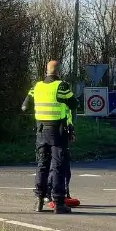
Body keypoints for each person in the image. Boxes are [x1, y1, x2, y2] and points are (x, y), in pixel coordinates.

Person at [22, 60, 76, 213]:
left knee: (42, 165)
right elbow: (74, 104)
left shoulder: (36, 87)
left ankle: (39, 200)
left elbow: (24, 106)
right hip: (58, 132)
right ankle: (58, 203)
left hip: (40, 131)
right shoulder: (62, 86)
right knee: (58, 166)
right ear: (58, 72)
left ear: (46, 71)